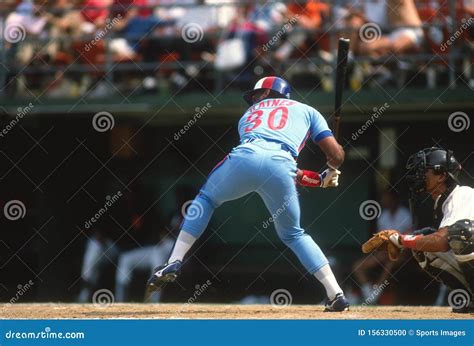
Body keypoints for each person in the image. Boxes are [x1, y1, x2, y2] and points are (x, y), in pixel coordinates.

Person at [146, 76, 350, 312]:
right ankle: (336, 294)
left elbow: (261, 158)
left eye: (257, 94)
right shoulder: (308, 110)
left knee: (205, 200)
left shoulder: (247, 118)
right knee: (294, 233)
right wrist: (330, 169)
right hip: (282, 165)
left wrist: (321, 177)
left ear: (268, 93)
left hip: (245, 157)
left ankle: (173, 261)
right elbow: (328, 157)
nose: (254, 99)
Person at [364, 147, 474, 313]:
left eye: (425, 171)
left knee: (461, 233)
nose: (420, 176)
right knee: (422, 242)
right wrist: (408, 241)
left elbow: (443, 242)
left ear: (442, 175)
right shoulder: (443, 203)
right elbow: (435, 242)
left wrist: (400, 240)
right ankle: (469, 297)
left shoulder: (462, 195)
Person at [353, 190, 412, 304]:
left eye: (388, 199)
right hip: (384, 252)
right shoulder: (383, 216)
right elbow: (380, 240)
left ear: (394, 200)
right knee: (357, 266)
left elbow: (409, 238)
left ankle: (375, 294)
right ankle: (368, 293)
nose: (385, 201)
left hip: (403, 253)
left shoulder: (405, 214)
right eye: (384, 199)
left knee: (390, 264)